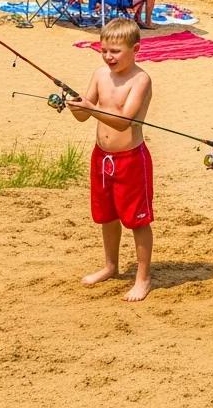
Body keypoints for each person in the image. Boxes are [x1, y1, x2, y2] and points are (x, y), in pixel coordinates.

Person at [66, 18, 153, 301]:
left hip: (130, 158)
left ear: (135, 49)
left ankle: (143, 277)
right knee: (107, 215)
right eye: (104, 50)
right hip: (101, 157)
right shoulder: (99, 74)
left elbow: (123, 121)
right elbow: (83, 115)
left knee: (137, 220)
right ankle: (111, 266)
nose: (108, 56)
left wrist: (90, 108)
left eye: (115, 51)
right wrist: (74, 105)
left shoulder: (141, 79)